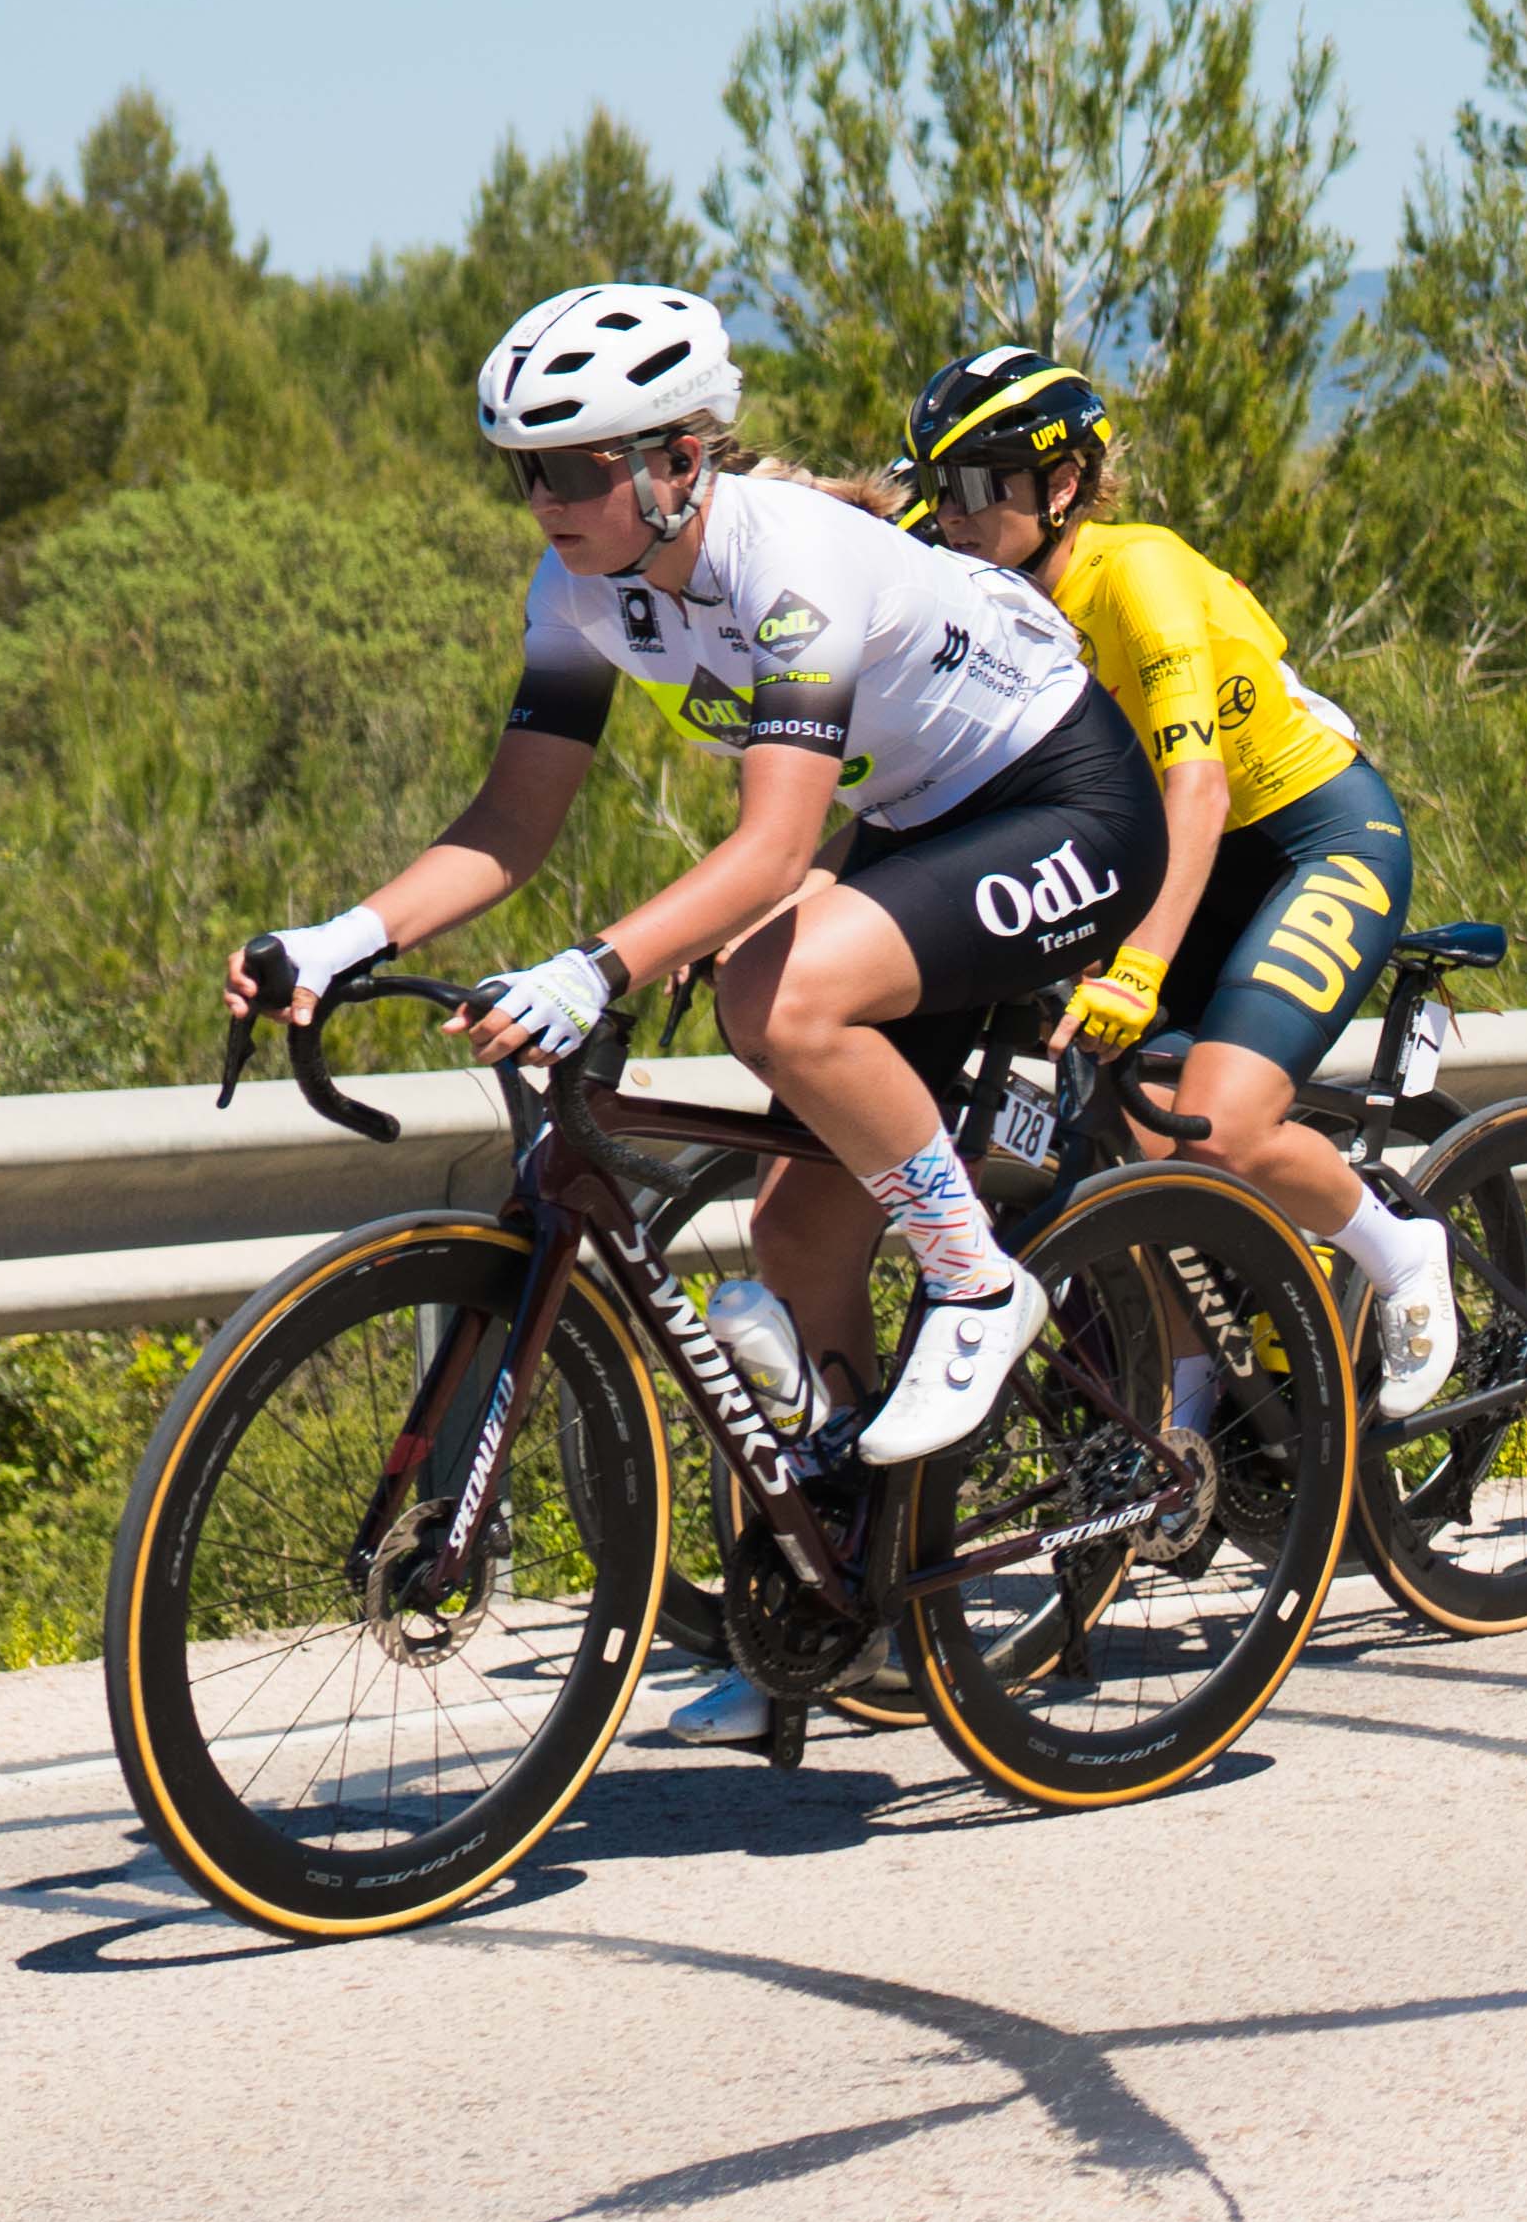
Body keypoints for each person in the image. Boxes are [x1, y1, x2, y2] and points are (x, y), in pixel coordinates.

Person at [245, 290, 1159, 1714]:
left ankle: (980, 1282)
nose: (542, 499)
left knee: (774, 1001)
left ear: (679, 459)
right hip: (931, 820)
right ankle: (845, 1603)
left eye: (574, 468)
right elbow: (510, 821)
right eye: (523, 471)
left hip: (1068, 803)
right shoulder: (576, 592)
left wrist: (590, 967)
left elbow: (774, 850)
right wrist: (339, 936)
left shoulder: (784, 566)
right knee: (799, 1233)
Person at [895, 345, 1458, 1413]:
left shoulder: (1133, 570)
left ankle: (1400, 1251)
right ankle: (1202, 1374)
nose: (950, 512)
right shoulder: (977, 588)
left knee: (1223, 1124)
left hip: (1308, 835)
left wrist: (1138, 968)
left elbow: (1196, 792)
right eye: (935, 487)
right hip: (1169, 859)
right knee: (1129, 1137)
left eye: (976, 484)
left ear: (1062, 486)